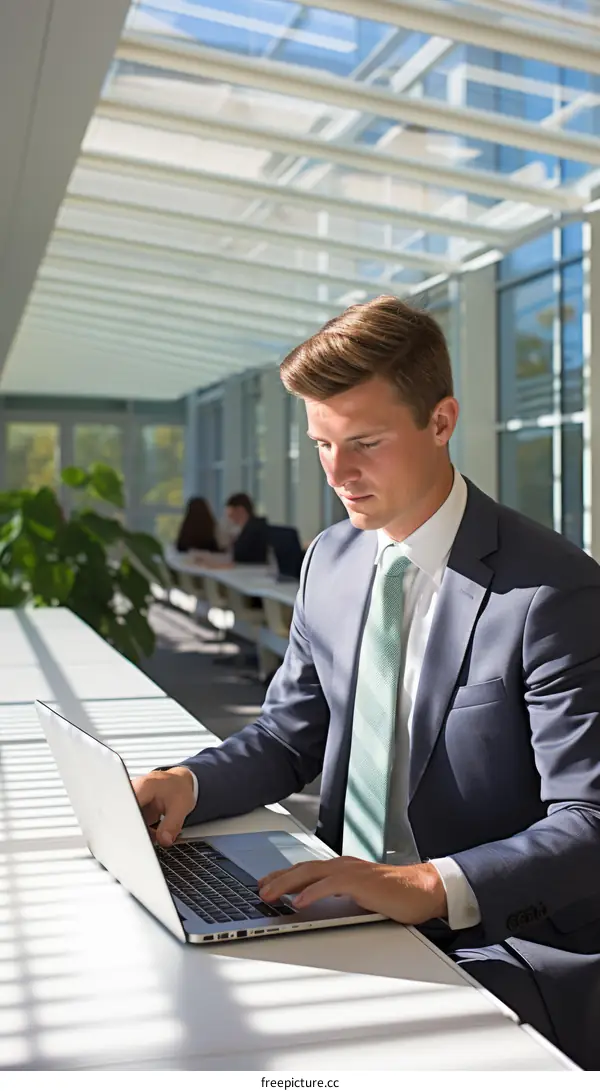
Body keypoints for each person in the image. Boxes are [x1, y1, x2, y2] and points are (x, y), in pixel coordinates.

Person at [133, 296, 600, 1069]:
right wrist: (188, 781)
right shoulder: (335, 560)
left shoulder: (552, 592)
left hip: (498, 939)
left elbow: (588, 818)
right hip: (341, 907)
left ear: (441, 421)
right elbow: (289, 732)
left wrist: (424, 882)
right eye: (322, 444)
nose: (340, 473)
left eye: (366, 443)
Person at [225, 492, 270, 564]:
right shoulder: (249, 528)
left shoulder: (254, 530)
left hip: (252, 570)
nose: (229, 517)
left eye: (230, 513)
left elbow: (241, 556)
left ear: (240, 510)